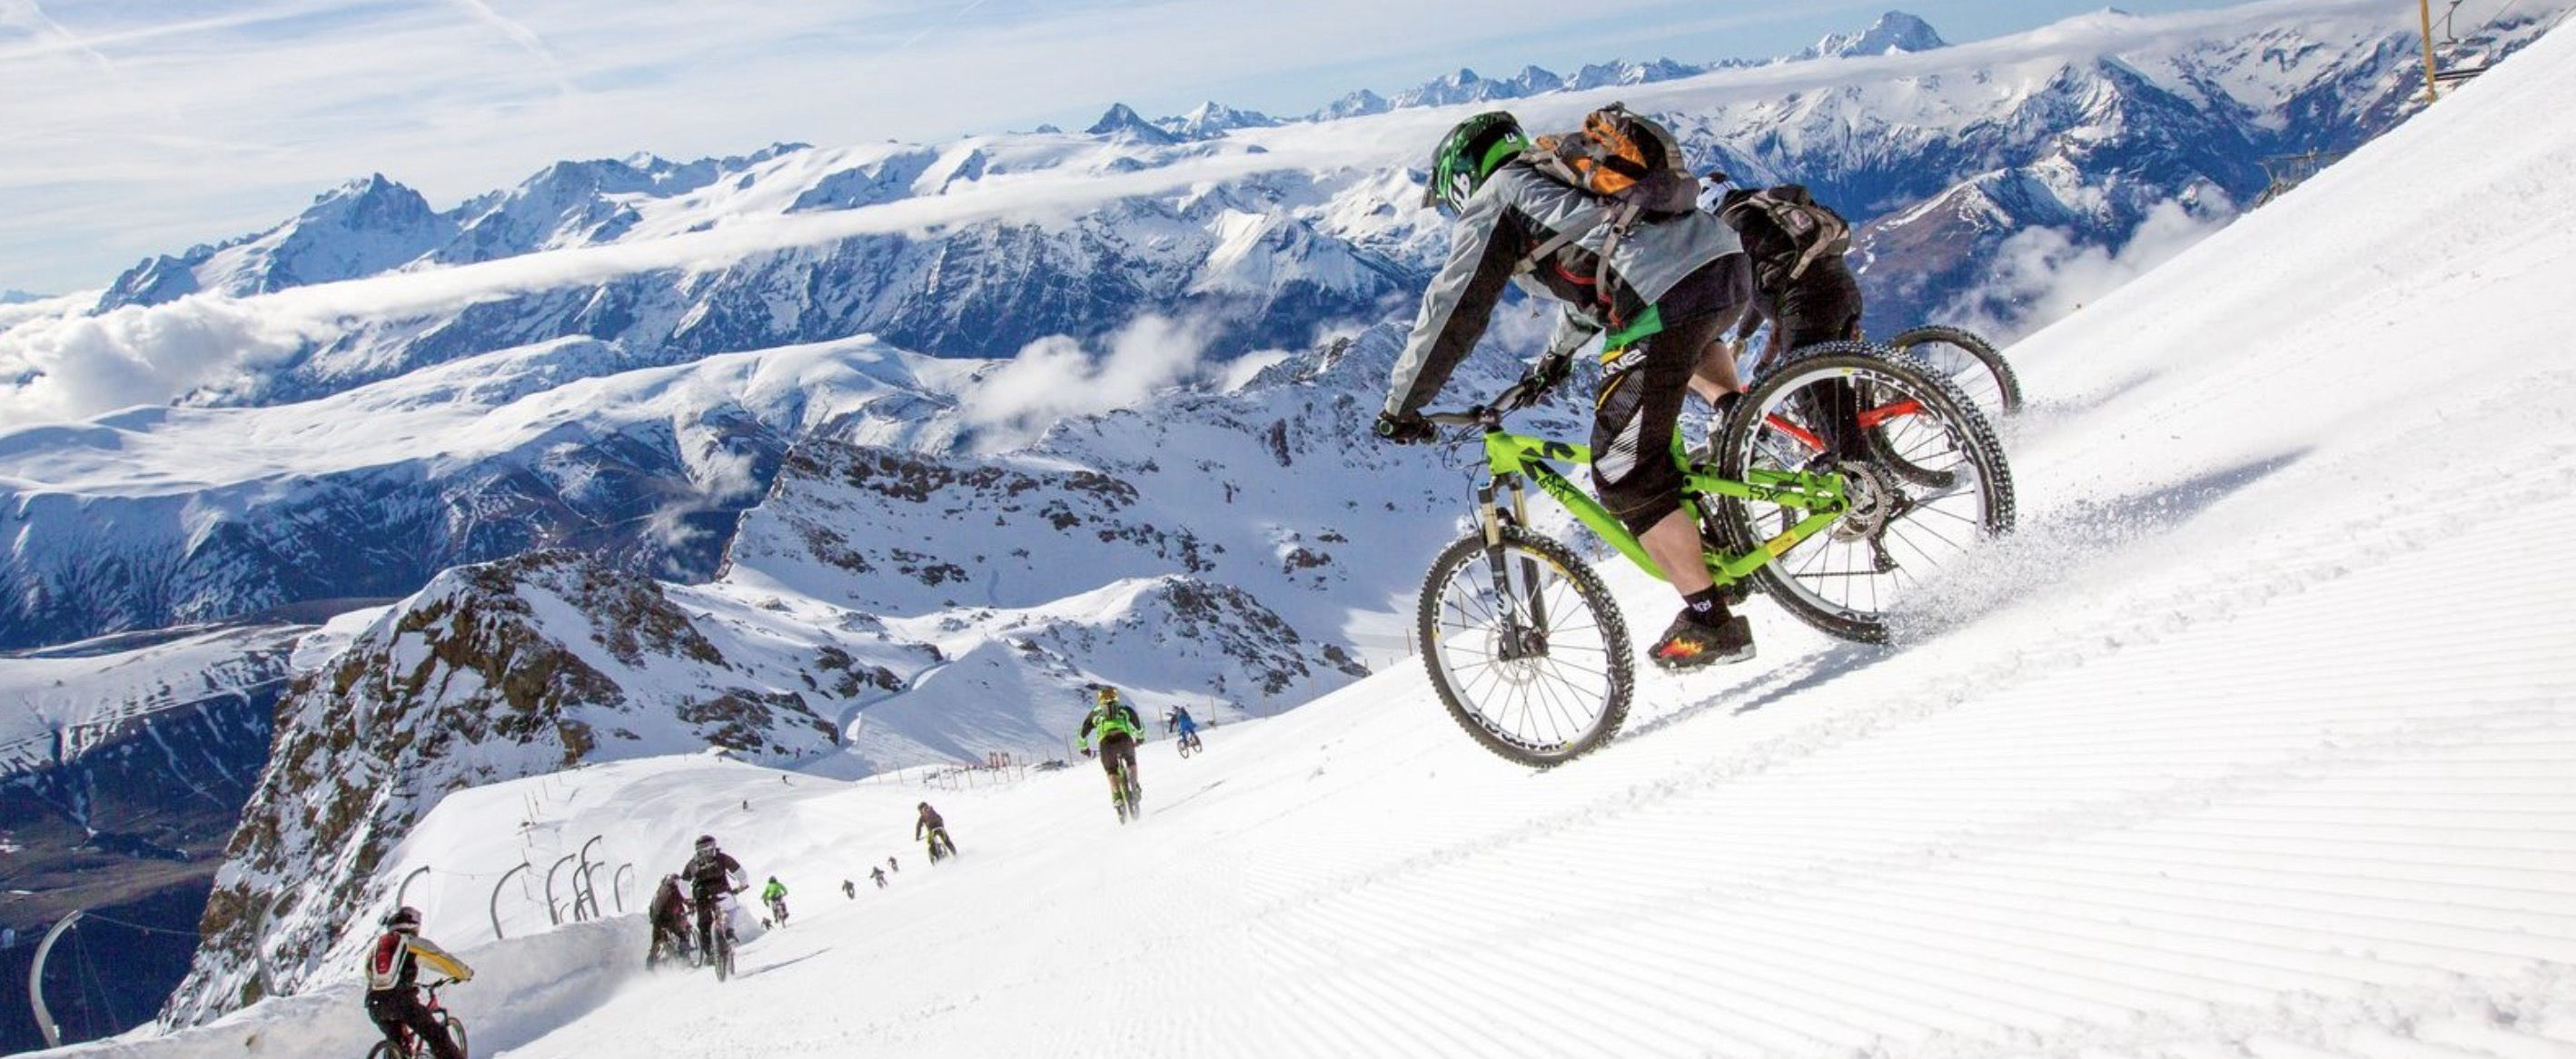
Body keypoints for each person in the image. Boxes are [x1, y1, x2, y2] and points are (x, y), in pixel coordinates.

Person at [1375, 110, 1758, 670]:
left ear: (1460, 176)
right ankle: (1742, 428)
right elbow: (1598, 275)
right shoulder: (1556, 177)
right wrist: (1554, 358)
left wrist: (1402, 404)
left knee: (1625, 475)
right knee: (1687, 353)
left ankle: (1709, 619)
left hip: (1659, 298)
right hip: (1725, 266)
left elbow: (1452, 309)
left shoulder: (1500, 196)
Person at [362, 906, 472, 1059]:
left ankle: (395, 1052)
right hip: (402, 1003)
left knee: (397, 1041)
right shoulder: (411, 942)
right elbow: (441, 959)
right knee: (437, 1036)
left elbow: (369, 973)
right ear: (413, 926)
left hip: (374, 1004)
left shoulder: (378, 948)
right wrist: (464, 973)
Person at [1075, 685, 1145, 809]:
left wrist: (1084, 748)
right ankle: (1134, 787)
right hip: (1124, 738)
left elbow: (1082, 733)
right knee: (1131, 761)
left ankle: (1117, 796)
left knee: (1111, 770)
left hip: (1106, 743)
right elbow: (1138, 724)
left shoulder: (1096, 713)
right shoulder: (1124, 709)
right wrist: (1139, 738)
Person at [682, 834, 747, 961]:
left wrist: (688, 898)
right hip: (722, 891)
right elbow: (741, 874)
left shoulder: (692, 863)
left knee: (703, 924)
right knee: (731, 908)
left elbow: (683, 885)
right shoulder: (722, 858)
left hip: (701, 896)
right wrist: (742, 886)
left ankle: (710, 952)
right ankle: (729, 932)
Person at [647, 874, 694, 969]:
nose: (676, 883)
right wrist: (689, 904)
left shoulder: (659, 891)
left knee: (655, 944)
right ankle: (685, 960)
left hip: (656, 921)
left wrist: (654, 920)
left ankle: (650, 965)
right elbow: (681, 901)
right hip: (667, 920)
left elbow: (652, 908)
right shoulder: (672, 890)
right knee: (682, 935)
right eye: (676, 881)